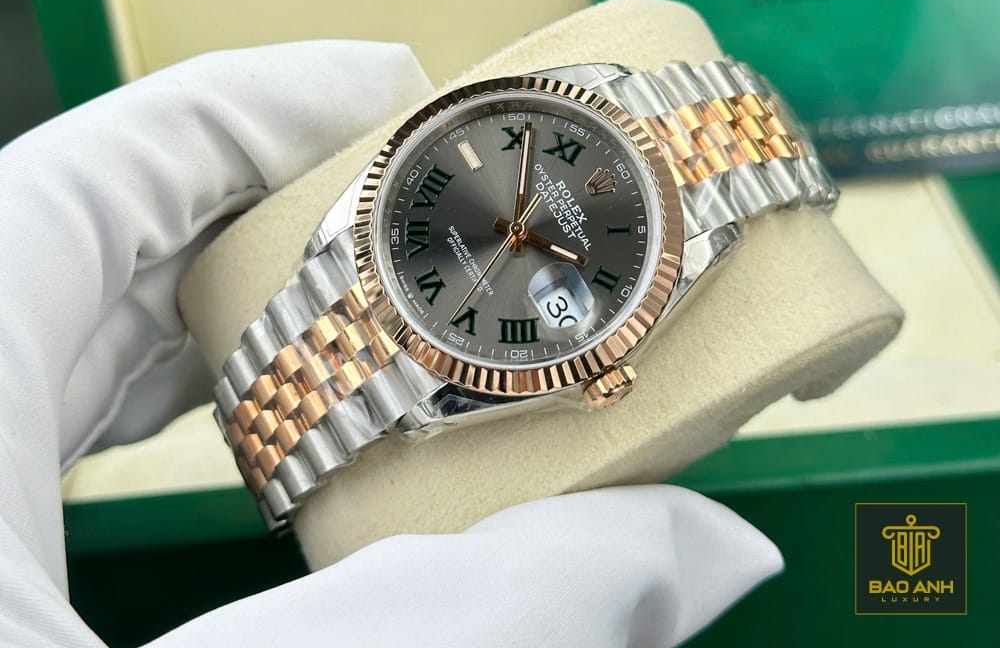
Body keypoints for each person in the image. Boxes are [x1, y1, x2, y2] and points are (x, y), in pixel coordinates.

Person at [0, 41, 781, 646]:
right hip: (368, 304)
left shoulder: (686, 222)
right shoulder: (372, 260)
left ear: (600, 373)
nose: (518, 234)